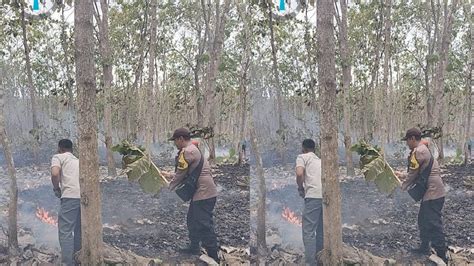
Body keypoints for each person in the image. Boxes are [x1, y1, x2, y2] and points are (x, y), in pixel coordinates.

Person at [161, 128, 219, 262]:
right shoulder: (194, 148)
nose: (175, 143)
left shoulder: (187, 152)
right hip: (204, 192)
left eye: (175, 140)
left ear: (181, 139)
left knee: (204, 224)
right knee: (192, 220)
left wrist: (169, 187)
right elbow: (188, 172)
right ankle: (194, 247)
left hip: (204, 194)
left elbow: (181, 174)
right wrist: (168, 175)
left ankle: (213, 256)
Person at [395, 128, 447, 262]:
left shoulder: (418, 151)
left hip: (433, 192)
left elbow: (413, 174)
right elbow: (419, 172)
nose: (406, 143)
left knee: (433, 223)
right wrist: (402, 175)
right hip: (433, 191)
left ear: (412, 138)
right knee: (423, 219)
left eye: (407, 140)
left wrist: (402, 186)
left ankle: (442, 254)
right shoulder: (423, 149)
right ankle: (425, 247)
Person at [51, 139, 81, 266]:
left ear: (60, 148)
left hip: (69, 197)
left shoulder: (58, 157)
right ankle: (79, 259)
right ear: (72, 149)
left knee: (66, 232)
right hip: (83, 198)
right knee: (79, 231)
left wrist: (56, 188)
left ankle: (67, 263)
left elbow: (55, 173)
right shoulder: (78, 160)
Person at [295, 139, 323, 266]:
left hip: (312, 197)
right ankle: (321, 260)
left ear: (303, 148)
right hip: (326, 197)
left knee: (309, 232)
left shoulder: (302, 157)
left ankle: (310, 263)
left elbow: (299, 173)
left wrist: (301, 188)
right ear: (314, 149)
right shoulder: (320, 160)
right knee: (321, 231)